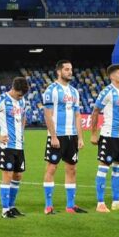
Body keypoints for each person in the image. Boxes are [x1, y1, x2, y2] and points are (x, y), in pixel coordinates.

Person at [42, 60, 86, 215]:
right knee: (52, 168)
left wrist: (80, 137)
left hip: (71, 136)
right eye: (67, 69)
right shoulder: (51, 90)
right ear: (59, 72)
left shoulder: (74, 92)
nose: (70, 72)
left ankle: (70, 205)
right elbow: (47, 114)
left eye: (71, 69)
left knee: (72, 169)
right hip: (57, 136)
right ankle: (48, 206)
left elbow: (78, 115)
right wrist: (53, 136)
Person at [0, 76, 29, 219]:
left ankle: (12, 206)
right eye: (19, 94)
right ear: (13, 89)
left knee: (18, 175)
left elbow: (23, 116)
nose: (21, 97)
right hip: (6, 145)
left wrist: (22, 131)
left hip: (19, 145)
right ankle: (5, 210)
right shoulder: (1, 100)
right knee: (7, 175)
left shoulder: (22, 101)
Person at [90, 64, 119, 212]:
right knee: (103, 168)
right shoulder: (107, 92)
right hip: (109, 136)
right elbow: (95, 111)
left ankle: (116, 201)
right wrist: (94, 133)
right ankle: (100, 203)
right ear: (112, 76)